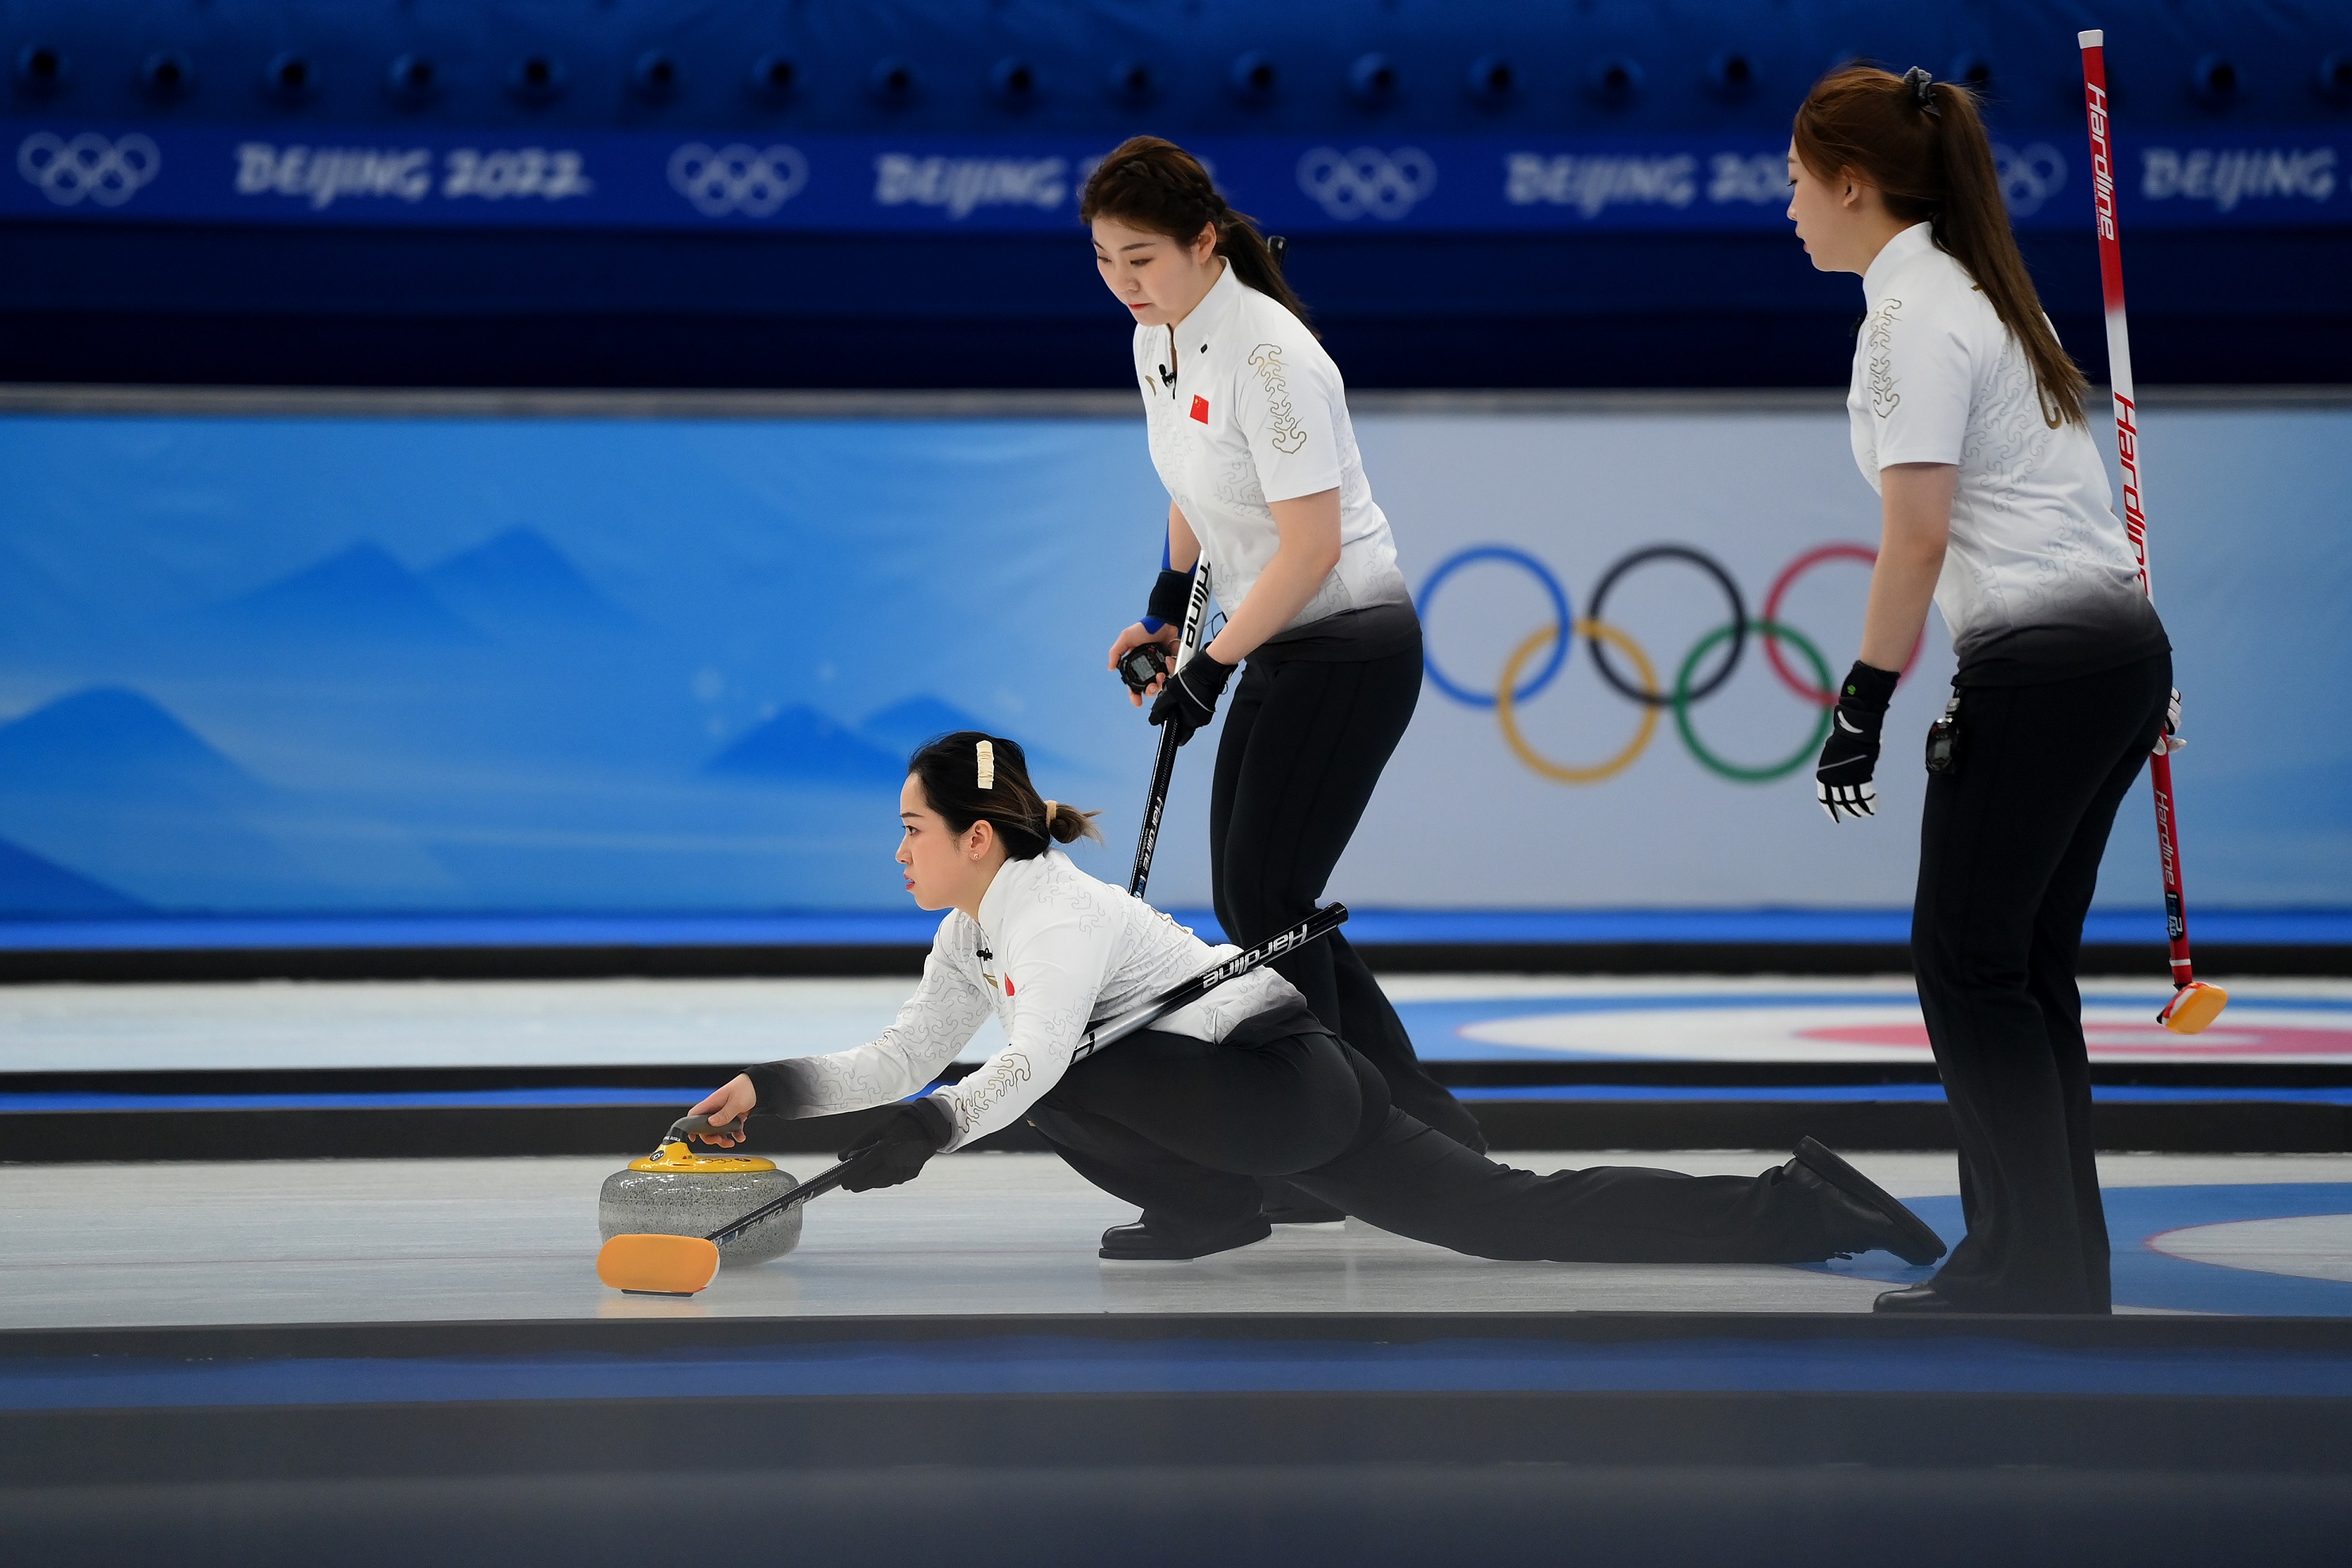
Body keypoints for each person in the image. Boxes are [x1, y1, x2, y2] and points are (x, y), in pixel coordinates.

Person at [685, 730, 1945, 1271]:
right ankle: (1803, 1205)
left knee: (1040, 1068)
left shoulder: (1053, 914)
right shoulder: (975, 930)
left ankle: (1213, 1201)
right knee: (1512, 1216)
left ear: (974, 835)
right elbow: (905, 1050)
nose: (895, 852)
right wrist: (773, 1090)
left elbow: (1021, 1067)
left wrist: (926, 1128)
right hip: (1280, 1095)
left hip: (1280, 1089)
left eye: (910, 830)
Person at [1788, 67, 2175, 1313]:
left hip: (2050, 662)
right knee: (2013, 966)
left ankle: (2035, 1264)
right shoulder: (1976, 292)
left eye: (1796, 183)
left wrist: (1860, 701)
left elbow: (1914, 537)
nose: (1786, 206)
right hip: (2103, 650)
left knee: (1964, 962)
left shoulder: (1914, 318)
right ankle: (2043, 1258)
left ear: (1853, 185)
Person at [1080, 136, 1482, 1224]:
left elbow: (1306, 548)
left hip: (1348, 642)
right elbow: (1192, 491)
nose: (1124, 280)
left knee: (1267, 902)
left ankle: (1360, 1137)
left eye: (1143, 257)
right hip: (1274, 638)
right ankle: (1403, 1129)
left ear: (1205, 243)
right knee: (1261, 904)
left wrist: (1208, 667)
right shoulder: (1154, 336)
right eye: (1106, 259)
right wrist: (1167, 620)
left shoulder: (1272, 357)